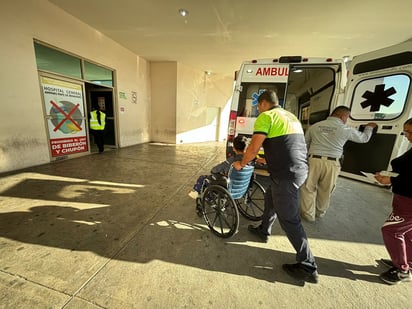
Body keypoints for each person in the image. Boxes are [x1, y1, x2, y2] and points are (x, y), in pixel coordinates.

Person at [232, 90, 318, 284]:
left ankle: (307, 265)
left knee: (289, 220)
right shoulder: (290, 116)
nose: (257, 109)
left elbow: (253, 148)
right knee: (271, 196)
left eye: (258, 106)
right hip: (299, 169)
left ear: (263, 104)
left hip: (287, 174)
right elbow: (286, 145)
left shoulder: (266, 116)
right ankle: (264, 230)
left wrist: (241, 163)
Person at [300, 106, 377, 222]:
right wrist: (369, 127)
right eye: (347, 117)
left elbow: (304, 144)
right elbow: (364, 138)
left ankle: (308, 215)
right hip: (332, 163)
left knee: (308, 188)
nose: (346, 120)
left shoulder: (315, 126)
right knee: (326, 189)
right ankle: (320, 212)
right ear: (343, 116)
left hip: (313, 160)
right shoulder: (346, 129)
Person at [374, 118, 412, 285]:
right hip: (404, 197)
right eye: (405, 132)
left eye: (410, 132)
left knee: (391, 230)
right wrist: (390, 175)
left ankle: (402, 270)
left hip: (409, 201)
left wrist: (391, 181)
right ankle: (407, 262)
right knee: (407, 233)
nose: (407, 136)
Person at [188, 135, 248, 199]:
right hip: (241, 185)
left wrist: (213, 170)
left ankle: (201, 194)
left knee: (204, 178)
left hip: (228, 184)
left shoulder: (233, 160)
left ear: (234, 148)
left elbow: (218, 168)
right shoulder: (247, 159)